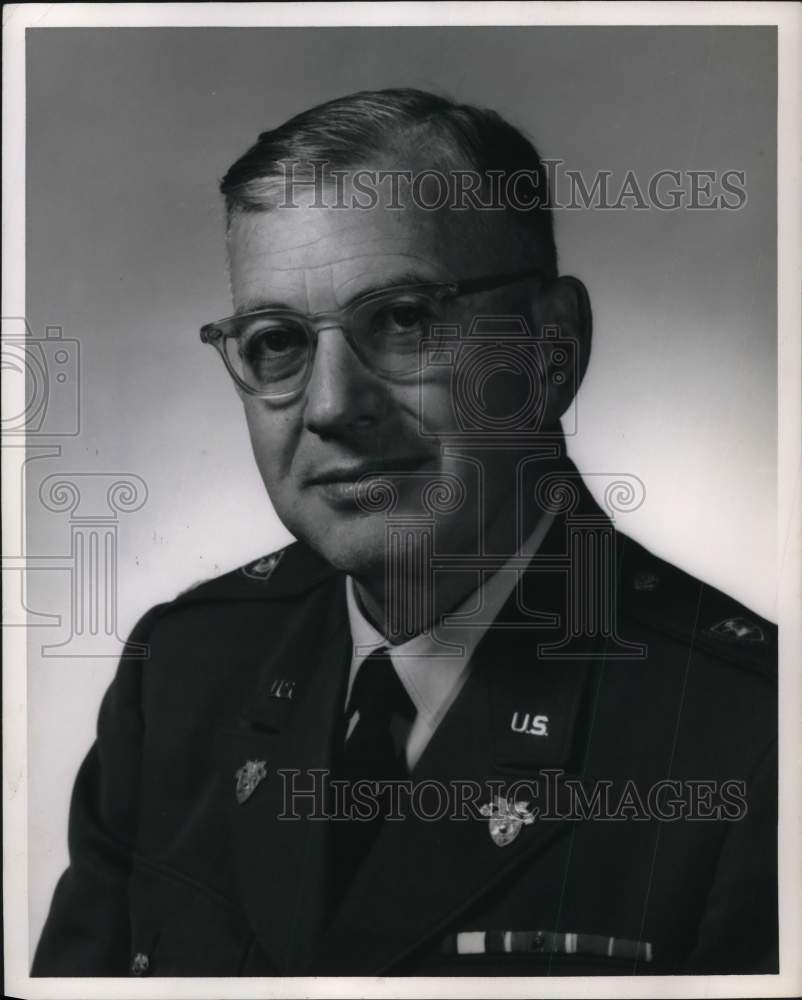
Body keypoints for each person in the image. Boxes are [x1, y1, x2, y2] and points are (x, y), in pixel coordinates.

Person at [32, 89, 777, 978]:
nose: (333, 406)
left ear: (551, 350)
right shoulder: (183, 679)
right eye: (276, 341)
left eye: (402, 321)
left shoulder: (755, 738)